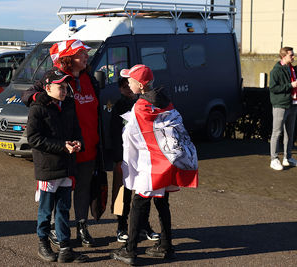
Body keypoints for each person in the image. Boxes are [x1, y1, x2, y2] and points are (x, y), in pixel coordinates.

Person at [110, 65, 198, 265]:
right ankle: (166, 246)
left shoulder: (141, 105)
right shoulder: (165, 100)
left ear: (140, 85)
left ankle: (130, 250)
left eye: (130, 81)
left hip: (151, 164)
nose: (127, 84)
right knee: (162, 202)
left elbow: (134, 136)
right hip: (167, 162)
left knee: (138, 203)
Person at [22, 39, 101, 247]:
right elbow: (28, 95)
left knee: (83, 189)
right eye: (80, 53)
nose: (86, 56)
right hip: (62, 152)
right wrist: (42, 99)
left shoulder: (89, 79)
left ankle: (81, 227)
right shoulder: (54, 79)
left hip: (86, 146)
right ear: (67, 58)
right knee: (58, 196)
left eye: (85, 53)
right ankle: (54, 233)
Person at [27, 69, 87, 263]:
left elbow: (76, 128)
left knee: (63, 209)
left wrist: (79, 143)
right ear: (47, 87)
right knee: (46, 210)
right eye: (59, 86)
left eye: (65, 86)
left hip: (67, 166)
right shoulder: (38, 107)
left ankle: (65, 247)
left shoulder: (69, 104)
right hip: (48, 168)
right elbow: (34, 138)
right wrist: (62, 146)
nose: (64, 90)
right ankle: (43, 243)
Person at [110, 77, 160, 243]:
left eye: (130, 86)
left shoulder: (144, 104)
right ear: (120, 89)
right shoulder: (118, 106)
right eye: (124, 87)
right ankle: (121, 226)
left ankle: (144, 226)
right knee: (121, 193)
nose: (129, 90)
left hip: (142, 157)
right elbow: (114, 134)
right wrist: (117, 158)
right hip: (123, 156)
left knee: (143, 193)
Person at [269, 46, 297, 170]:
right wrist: (290, 85)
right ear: (283, 56)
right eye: (291, 55)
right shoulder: (276, 71)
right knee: (277, 132)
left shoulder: (292, 69)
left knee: (290, 133)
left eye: (293, 54)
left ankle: (287, 157)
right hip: (280, 105)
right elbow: (273, 88)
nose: (293, 57)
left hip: (293, 104)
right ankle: (274, 159)